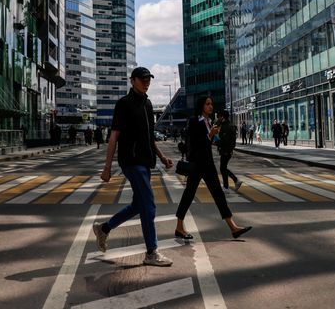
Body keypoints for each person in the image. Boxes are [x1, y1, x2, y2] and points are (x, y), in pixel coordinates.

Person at [93, 67, 175, 267]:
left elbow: (149, 137)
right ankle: (151, 252)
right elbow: (114, 136)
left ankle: (104, 228)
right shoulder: (124, 104)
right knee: (149, 206)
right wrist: (107, 168)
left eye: (149, 79)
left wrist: (162, 157)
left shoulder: (147, 104)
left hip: (146, 161)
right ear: (133, 81)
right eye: (143, 79)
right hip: (131, 161)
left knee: (139, 205)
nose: (147, 82)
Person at [174, 96, 252, 242]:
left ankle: (233, 227)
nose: (211, 107)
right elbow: (195, 144)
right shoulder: (194, 121)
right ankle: (179, 226)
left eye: (212, 104)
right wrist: (210, 135)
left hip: (208, 164)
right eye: (208, 104)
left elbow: (208, 142)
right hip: (197, 164)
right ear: (201, 106)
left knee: (218, 195)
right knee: (189, 195)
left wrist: (215, 138)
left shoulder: (209, 122)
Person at [216, 110, 242, 193]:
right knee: (223, 168)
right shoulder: (227, 125)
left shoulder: (226, 126)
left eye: (219, 116)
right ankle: (234, 181)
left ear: (222, 117)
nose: (218, 118)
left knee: (222, 168)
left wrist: (216, 142)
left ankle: (228, 186)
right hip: (227, 149)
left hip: (226, 150)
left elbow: (225, 140)